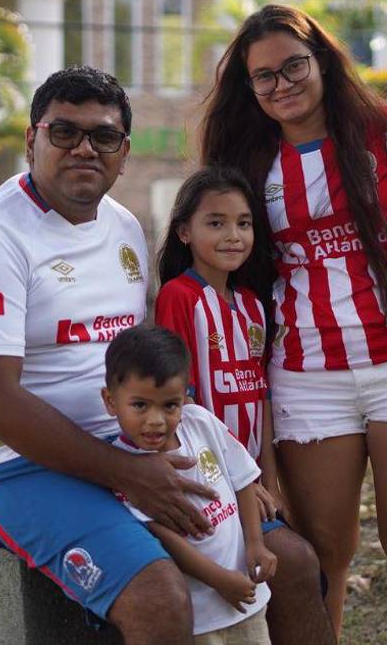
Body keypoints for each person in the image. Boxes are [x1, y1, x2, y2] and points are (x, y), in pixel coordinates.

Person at [0, 66, 334, 645]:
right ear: (31, 139)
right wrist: (129, 475)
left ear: (124, 151)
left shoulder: (123, 227)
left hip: (131, 439)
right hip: (14, 464)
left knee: (290, 562)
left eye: (104, 136)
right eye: (64, 132)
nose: (84, 149)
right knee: (160, 597)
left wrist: (173, 448)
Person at [198, 5, 387, 644]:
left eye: (292, 65)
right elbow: (236, 272)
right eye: (263, 77)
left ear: (321, 60)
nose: (281, 84)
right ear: (250, 90)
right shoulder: (246, 160)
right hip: (305, 379)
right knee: (322, 554)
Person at [104, 325, 277, 645]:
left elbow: (242, 481)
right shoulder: (125, 466)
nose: (155, 420)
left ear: (184, 398)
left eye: (169, 406)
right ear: (110, 401)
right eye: (140, 405)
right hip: (202, 615)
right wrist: (219, 580)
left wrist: (255, 543)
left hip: (247, 598)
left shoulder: (201, 422)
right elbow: (164, 537)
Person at [154, 166, 285, 522]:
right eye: (216, 223)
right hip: (212, 477)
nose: (233, 235)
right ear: (184, 232)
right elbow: (184, 401)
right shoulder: (178, 296)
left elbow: (263, 400)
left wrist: (268, 483)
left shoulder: (253, 305)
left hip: (254, 483)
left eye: (244, 223)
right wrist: (238, 480)